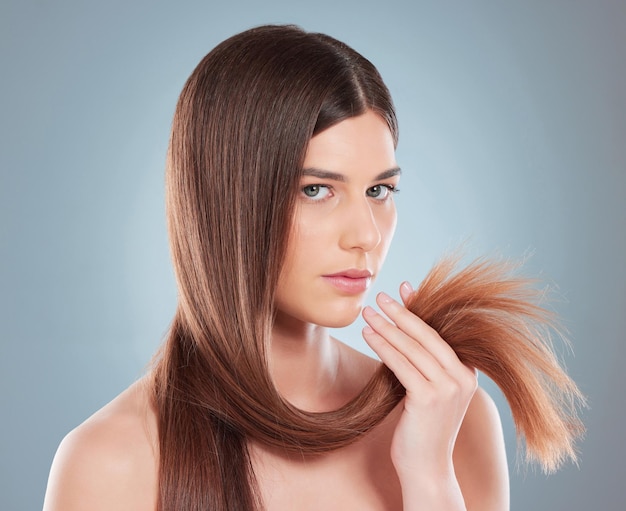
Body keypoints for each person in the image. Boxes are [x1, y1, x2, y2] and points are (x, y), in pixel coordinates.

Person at [43, 24, 510, 510]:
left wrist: (430, 479)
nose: (366, 235)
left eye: (379, 191)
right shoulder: (113, 463)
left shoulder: (452, 419)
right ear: (225, 201)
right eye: (316, 190)